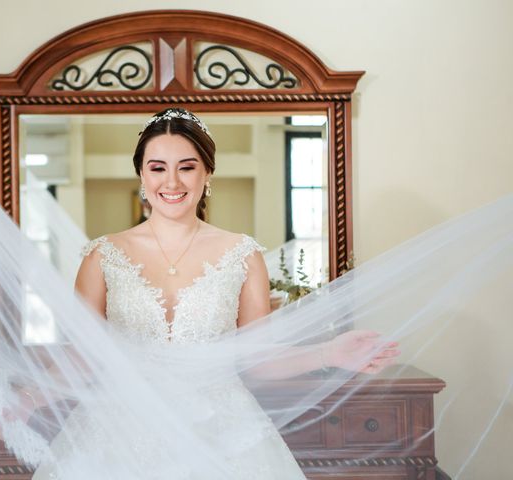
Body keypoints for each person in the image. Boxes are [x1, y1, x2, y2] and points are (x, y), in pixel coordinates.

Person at [24, 108, 399, 479]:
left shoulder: (243, 255)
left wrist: (330, 353)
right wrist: (26, 400)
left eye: (186, 167)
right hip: (118, 432)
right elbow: (82, 357)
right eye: (158, 168)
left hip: (222, 429)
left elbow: (258, 359)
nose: (171, 182)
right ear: (142, 174)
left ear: (207, 173)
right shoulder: (102, 257)